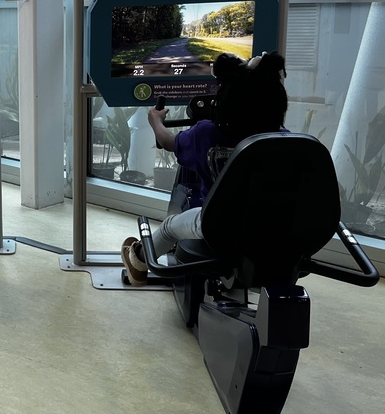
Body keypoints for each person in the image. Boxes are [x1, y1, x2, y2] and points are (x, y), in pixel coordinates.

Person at [121, 51, 289, 285]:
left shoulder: (206, 134)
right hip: (273, 227)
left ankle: (138, 262)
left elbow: (167, 141)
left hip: (218, 225)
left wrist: (156, 121)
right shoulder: (284, 139)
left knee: (169, 227)